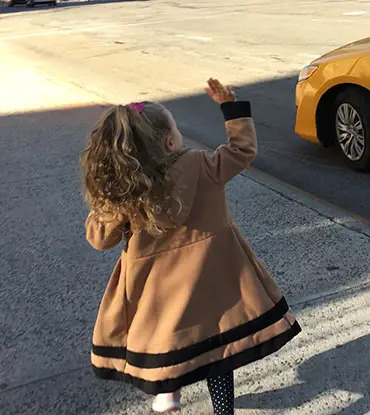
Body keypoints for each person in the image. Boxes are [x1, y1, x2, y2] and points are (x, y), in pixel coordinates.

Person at [80, 78, 301, 414]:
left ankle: (168, 393)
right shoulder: (201, 165)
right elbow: (243, 151)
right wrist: (232, 108)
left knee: (167, 339)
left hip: (157, 287)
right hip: (214, 275)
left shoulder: (129, 191)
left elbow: (100, 239)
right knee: (219, 347)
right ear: (170, 142)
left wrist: (107, 198)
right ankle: (223, 409)